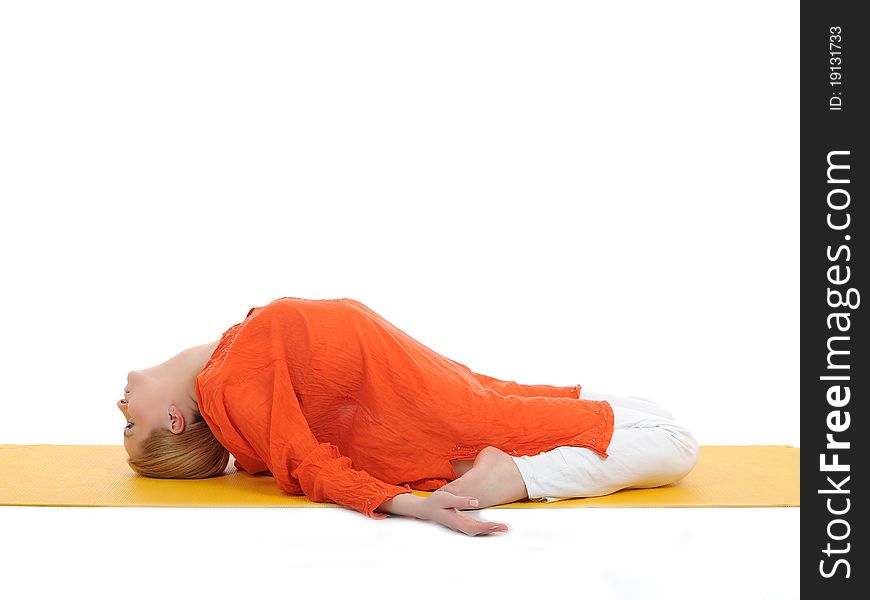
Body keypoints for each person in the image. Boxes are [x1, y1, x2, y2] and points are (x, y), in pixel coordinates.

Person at [117, 296, 699, 537]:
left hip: (445, 389)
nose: (120, 407)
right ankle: (514, 481)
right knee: (676, 444)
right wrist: (417, 506)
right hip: (442, 412)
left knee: (647, 412)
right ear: (172, 421)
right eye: (127, 424)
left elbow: (282, 446)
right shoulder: (228, 386)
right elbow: (310, 463)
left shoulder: (228, 364)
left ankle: (514, 470)